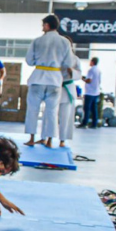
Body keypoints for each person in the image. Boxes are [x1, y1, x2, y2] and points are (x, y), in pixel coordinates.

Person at [24, 15, 71, 148]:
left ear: (47, 25)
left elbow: (29, 61)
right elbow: (69, 62)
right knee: (52, 111)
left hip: (38, 77)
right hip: (55, 79)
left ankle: (32, 138)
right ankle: (50, 140)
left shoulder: (37, 41)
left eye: (43, 25)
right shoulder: (64, 42)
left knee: (33, 109)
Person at [57, 43, 82, 148]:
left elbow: (79, 74)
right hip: (55, 88)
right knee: (50, 115)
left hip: (67, 88)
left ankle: (62, 139)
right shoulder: (54, 56)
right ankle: (47, 138)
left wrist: (72, 72)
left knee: (65, 116)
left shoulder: (75, 59)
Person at [78, 57, 102, 129]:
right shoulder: (98, 70)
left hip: (89, 92)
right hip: (96, 92)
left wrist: (82, 78)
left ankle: (85, 123)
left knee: (87, 108)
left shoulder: (91, 70)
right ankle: (94, 123)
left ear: (92, 62)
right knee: (94, 108)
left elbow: (89, 80)